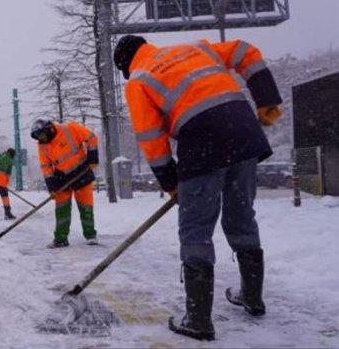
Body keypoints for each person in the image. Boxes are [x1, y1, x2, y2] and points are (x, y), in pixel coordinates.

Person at [115, 35, 282, 341]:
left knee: (196, 230)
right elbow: (245, 50)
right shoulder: (195, 48)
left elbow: (152, 137)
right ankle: (252, 297)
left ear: (125, 64)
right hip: (244, 129)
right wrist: (267, 98)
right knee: (241, 216)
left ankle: (198, 319)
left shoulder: (138, 79)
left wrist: (170, 182)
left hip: (202, 140)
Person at [30, 119, 99, 248]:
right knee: (61, 209)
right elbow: (46, 166)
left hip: (81, 172)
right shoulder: (42, 145)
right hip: (61, 178)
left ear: (49, 129)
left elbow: (91, 137)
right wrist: (51, 186)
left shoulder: (70, 129)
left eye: (42, 134)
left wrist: (93, 157)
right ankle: (61, 239)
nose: (41, 138)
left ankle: (90, 235)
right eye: (38, 137)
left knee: (86, 206)